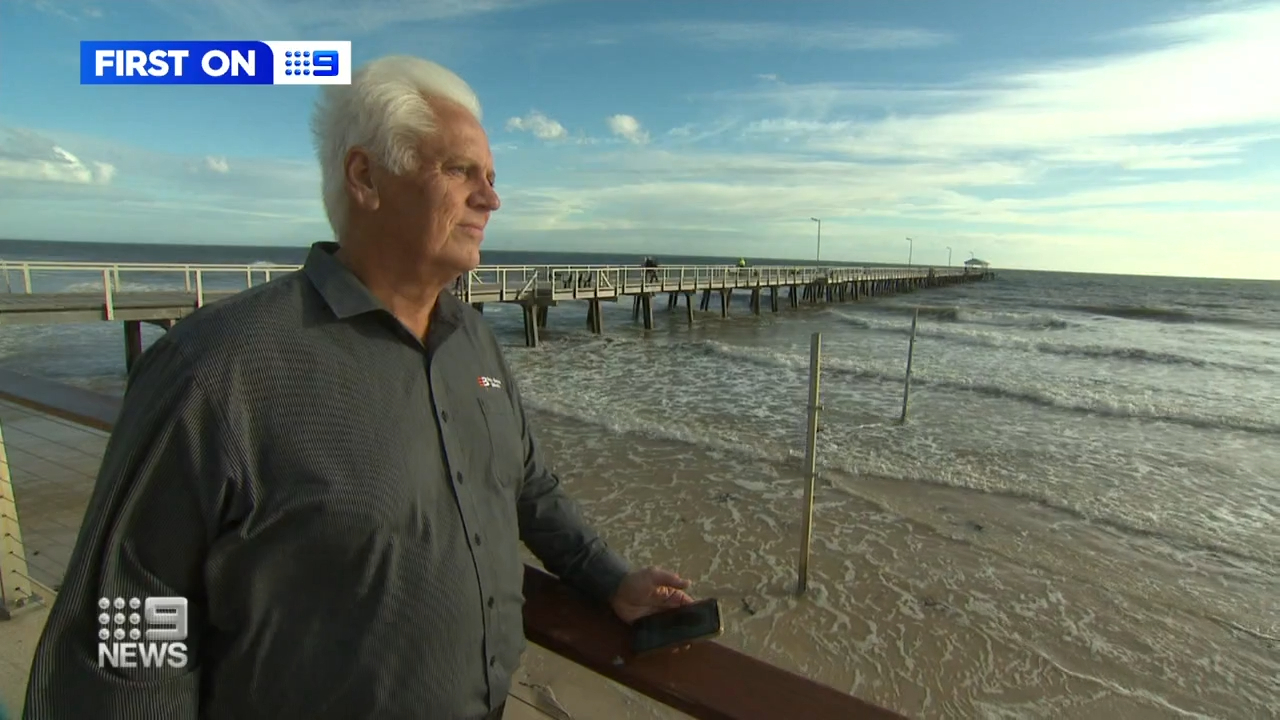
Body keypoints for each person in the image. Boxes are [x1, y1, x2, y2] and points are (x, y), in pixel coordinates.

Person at [22, 55, 693, 720]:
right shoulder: (218, 366)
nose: (491, 197)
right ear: (367, 176)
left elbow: (528, 490)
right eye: (461, 170)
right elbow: (133, 621)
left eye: (490, 177)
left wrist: (611, 579)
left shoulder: (475, 343)